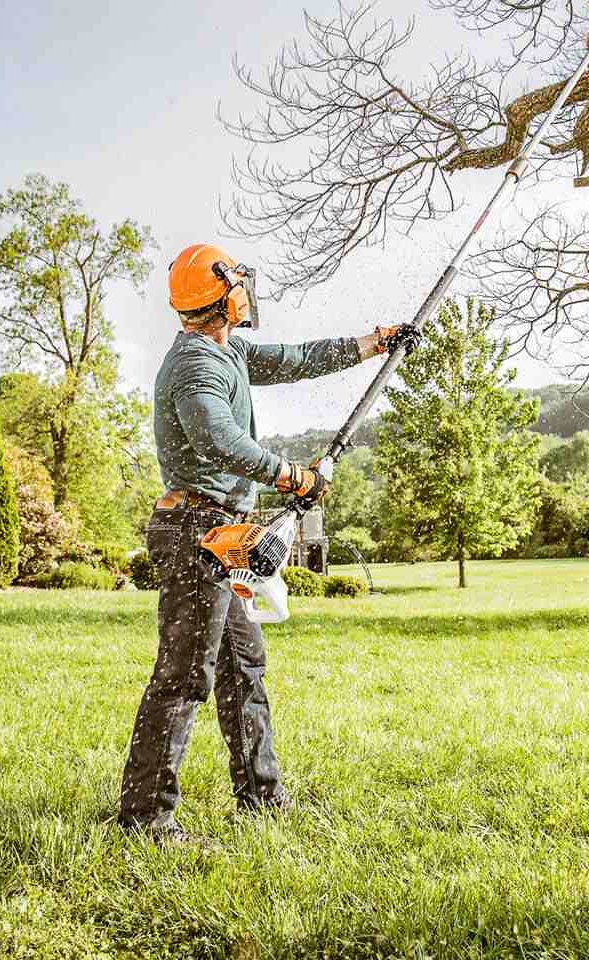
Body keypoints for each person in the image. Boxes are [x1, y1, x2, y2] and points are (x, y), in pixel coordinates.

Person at [118, 242, 409, 845]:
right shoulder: (196, 365)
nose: (249, 291)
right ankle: (146, 818)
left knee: (243, 668)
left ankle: (262, 796)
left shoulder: (230, 349)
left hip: (222, 534)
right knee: (183, 676)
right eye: (240, 283)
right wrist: (289, 474)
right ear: (223, 294)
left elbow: (298, 356)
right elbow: (216, 440)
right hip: (198, 534)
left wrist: (372, 343)